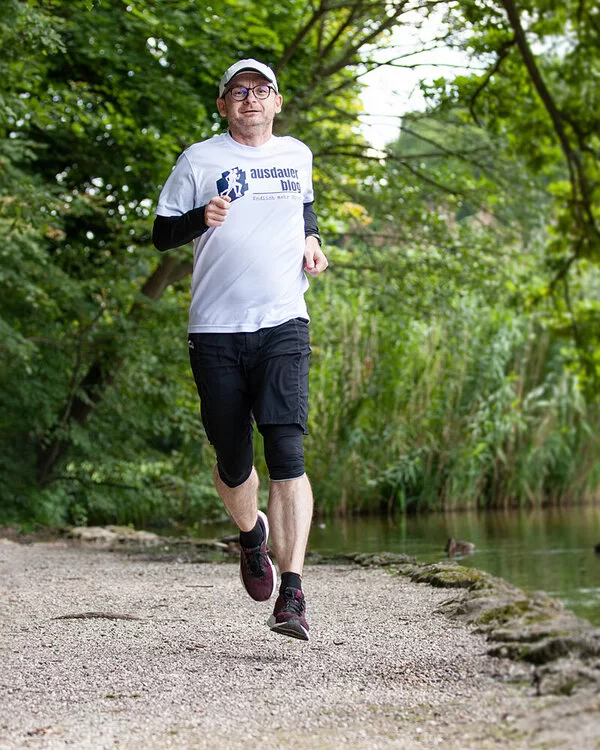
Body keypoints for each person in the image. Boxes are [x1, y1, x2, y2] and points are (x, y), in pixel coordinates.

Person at [152, 59, 328, 641]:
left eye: (262, 90)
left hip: (283, 321)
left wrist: (312, 239)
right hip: (216, 329)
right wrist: (201, 218)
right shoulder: (198, 160)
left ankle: (293, 593)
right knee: (233, 461)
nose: (251, 99)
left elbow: (302, 206)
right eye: (239, 92)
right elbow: (160, 233)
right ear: (225, 105)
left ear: (277, 103)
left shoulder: (297, 155)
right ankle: (253, 539)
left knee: (286, 450)